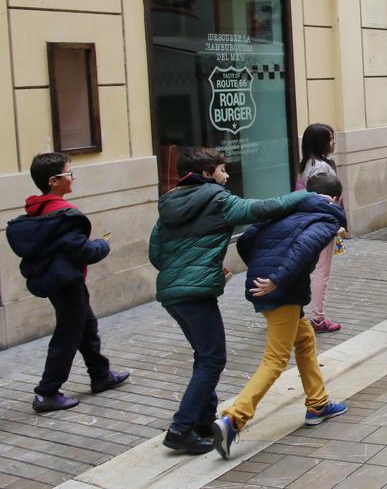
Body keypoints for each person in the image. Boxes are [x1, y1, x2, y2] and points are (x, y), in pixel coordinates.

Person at [150, 147, 309, 455]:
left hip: (173, 293)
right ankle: (180, 429)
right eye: (222, 171)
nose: (226, 176)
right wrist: (304, 196)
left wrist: (191, 268)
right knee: (212, 359)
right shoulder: (218, 200)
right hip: (196, 293)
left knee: (204, 355)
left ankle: (201, 422)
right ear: (207, 174)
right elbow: (263, 208)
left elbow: (156, 254)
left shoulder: (168, 204)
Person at [212, 173, 350, 459]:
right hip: (281, 290)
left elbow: (246, 240)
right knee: (275, 360)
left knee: (304, 340)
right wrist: (276, 279)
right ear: (335, 198)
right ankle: (234, 419)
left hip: (270, 285)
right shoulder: (326, 218)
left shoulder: (288, 207)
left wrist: (262, 269)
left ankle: (318, 403)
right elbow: (304, 249)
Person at [5, 153, 129, 414]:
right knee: (68, 333)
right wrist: (102, 244)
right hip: (67, 280)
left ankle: (100, 374)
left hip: (57, 279)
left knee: (86, 325)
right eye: (68, 174)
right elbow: (84, 251)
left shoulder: (38, 210)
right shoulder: (63, 216)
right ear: (53, 181)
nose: (73, 179)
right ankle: (47, 392)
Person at [295, 123, 343, 333]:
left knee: (307, 270)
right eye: (330, 138)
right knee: (322, 271)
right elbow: (327, 201)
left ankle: (297, 312)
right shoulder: (321, 167)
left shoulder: (305, 164)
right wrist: (338, 224)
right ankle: (317, 318)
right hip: (322, 222)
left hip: (306, 222)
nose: (333, 142)